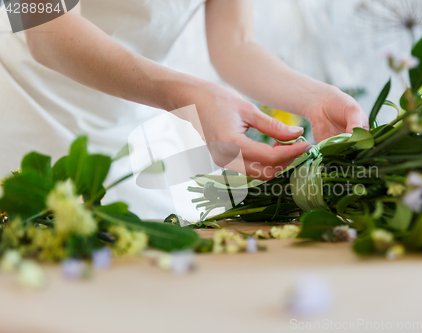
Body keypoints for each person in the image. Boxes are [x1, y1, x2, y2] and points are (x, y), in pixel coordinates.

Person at [0, 0, 368, 218]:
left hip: (128, 113)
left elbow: (236, 44)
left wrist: (316, 98)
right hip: (22, 108)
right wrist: (188, 95)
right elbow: (43, 26)